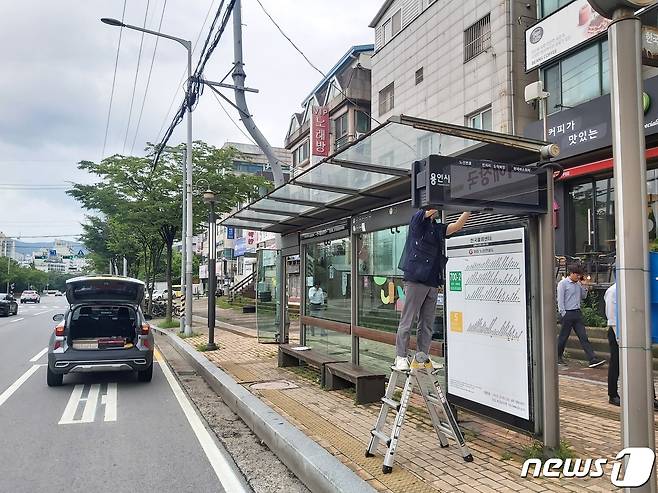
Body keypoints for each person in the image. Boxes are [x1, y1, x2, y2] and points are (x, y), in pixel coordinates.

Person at [393, 209, 471, 371]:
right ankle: (401, 356)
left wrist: (468, 209)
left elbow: (456, 226)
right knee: (408, 321)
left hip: (432, 281)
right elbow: (427, 211)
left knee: (427, 323)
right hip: (415, 279)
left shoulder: (437, 228)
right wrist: (441, 195)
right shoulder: (417, 221)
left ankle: (422, 356)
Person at [605, 278, 658, 408]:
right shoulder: (613, 291)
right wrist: (619, 338)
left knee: (643, 362)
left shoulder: (636, 289)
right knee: (616, 363)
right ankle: (613, 394)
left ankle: (650, 397)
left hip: (635, 330)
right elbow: (612, 317)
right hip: (618, 331)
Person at [557, 264, 605, 368]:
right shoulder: (563, 284)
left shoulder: (578, 284)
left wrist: (585, 286)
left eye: (580, 275)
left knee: (583, 336)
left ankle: (592, 358)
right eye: (577, 275)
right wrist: (563, 313)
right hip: (568, 313)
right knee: (563, 337)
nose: (579, 277)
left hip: (577, 312)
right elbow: (560, 300)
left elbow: (583, 296)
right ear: (572, 273)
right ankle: (558, 356)